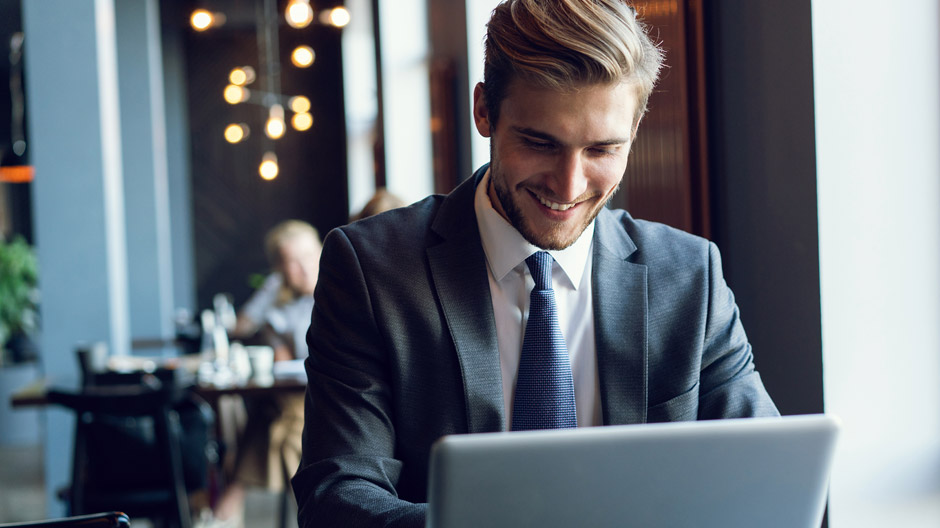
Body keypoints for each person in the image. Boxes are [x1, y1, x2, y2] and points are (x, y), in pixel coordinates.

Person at [291, 1, 778, 526]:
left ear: (634, 132)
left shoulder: (688, 277)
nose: (568, 187)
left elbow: (770, 478)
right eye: (540, 143)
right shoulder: (372, 268)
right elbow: (336, 494)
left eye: (601, 150)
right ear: (484, 111)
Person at [210, 220, 321, 527]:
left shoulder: (343, 287)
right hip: (300, 394)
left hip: (330, 395)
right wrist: (272, 332)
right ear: (280, 269)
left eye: (309, 257)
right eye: (292, 263)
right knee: (273, 419)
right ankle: (311, 513)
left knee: (277, 426)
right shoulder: (286, 301)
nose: (304, 268)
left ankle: (226, 511)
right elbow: (256, 334)